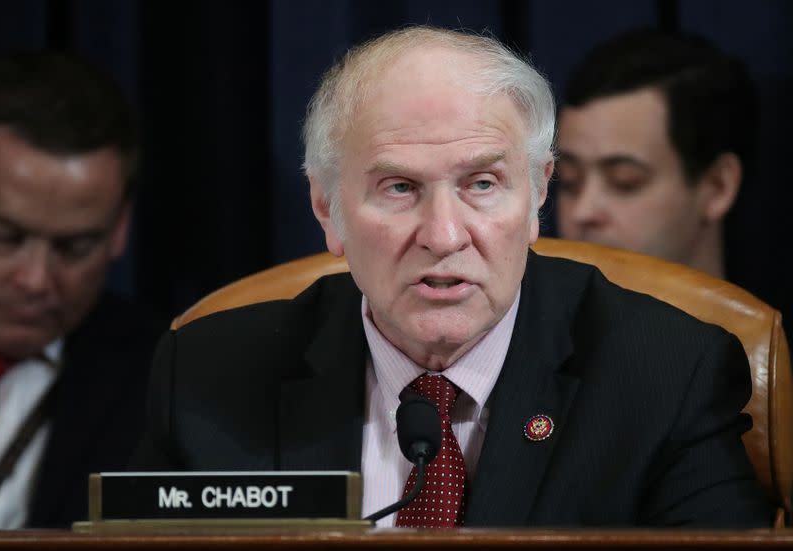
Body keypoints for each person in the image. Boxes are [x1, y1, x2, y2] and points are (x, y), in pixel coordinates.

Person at [138, 27, 772, 527]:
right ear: (326, 208)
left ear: (538, 194)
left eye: (483, 184)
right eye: (399, 188)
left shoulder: (665, 373)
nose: (443, 235)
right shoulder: (205, 379)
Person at [0, 51, 162, 528]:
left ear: (119, 230)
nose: (35, 279)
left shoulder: (168, 381)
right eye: (5, 237)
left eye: (74, 247)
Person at [555, 29, 757, 279]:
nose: (582, 212)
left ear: (718, 186)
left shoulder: (766, 320)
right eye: (569, 181)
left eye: (625, 182)